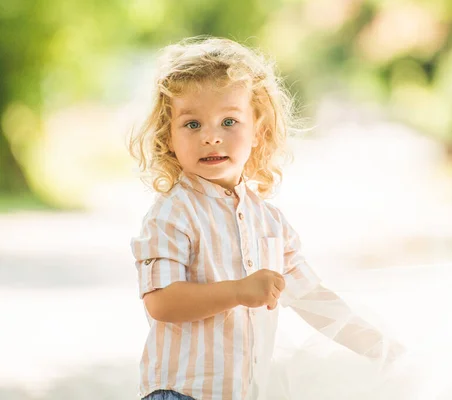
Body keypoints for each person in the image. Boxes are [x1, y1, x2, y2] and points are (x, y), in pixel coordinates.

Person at [129, 36, 403, 400]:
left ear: (259, 131)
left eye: (229, 121)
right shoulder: (172, 213)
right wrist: (239, 291)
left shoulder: (269, 222)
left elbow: (312, 297)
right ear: (169, 136)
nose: (211, 137)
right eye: (192, 124)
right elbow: (162, 302)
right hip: (180, 393)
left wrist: (381, 348)